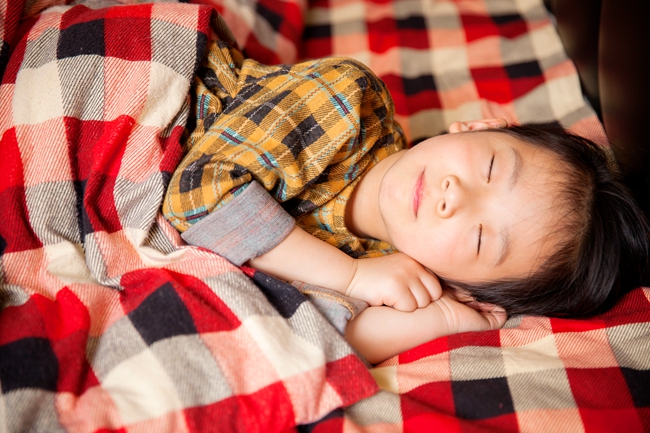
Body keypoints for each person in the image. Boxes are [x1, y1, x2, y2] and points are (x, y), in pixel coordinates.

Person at [164, 38, 650, 364]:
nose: (454, 196)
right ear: (483, 125)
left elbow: (303, 343)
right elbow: (198, 196)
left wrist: (439, 318)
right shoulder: (346, 102)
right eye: (490, 168)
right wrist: (348, 276)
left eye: (479, 238)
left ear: (469, 286)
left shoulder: (383, 266)